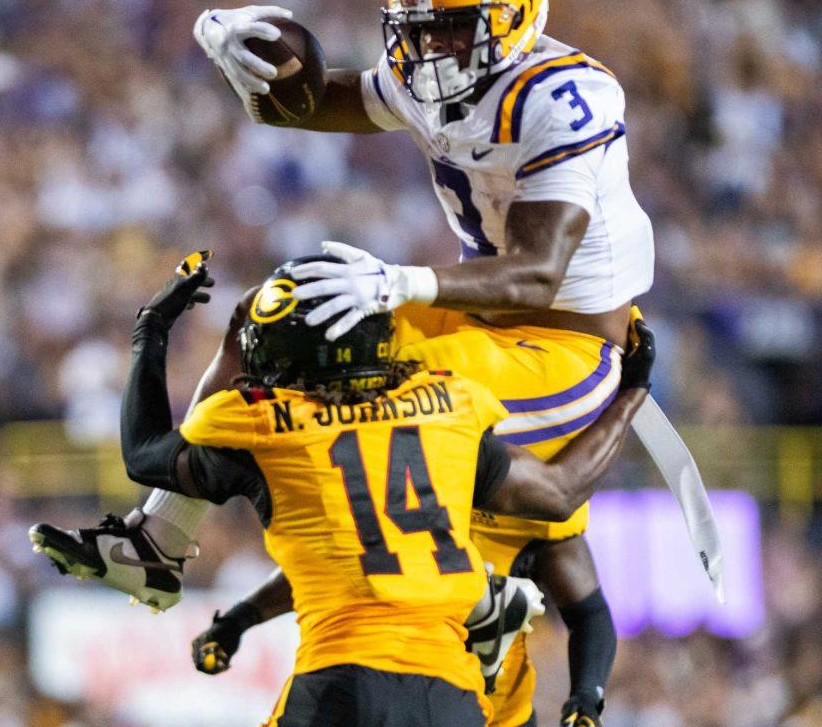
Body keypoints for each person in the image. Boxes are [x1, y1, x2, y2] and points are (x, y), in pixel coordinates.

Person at [32, 0, 654, 724]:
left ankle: (487, 604)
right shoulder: (439, 73)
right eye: (419, 26)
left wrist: (399, 283)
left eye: (454, 26)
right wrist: (228, 45)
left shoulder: (562, 96)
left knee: (389, 426)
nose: (432, 48)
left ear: (516, 15)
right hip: (474, 315)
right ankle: (156, 545)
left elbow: (539, 269)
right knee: (274, 318)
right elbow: (302, 103)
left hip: (565, 347)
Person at [72, 257, 652, 727]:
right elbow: (557, 492)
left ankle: (157, 543)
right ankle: (487, 606)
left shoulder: (269, 427)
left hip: (343, 680)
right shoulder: (449, 408)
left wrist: (153, 332)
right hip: (452, 695)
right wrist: (632, 393)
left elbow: (145, 453)